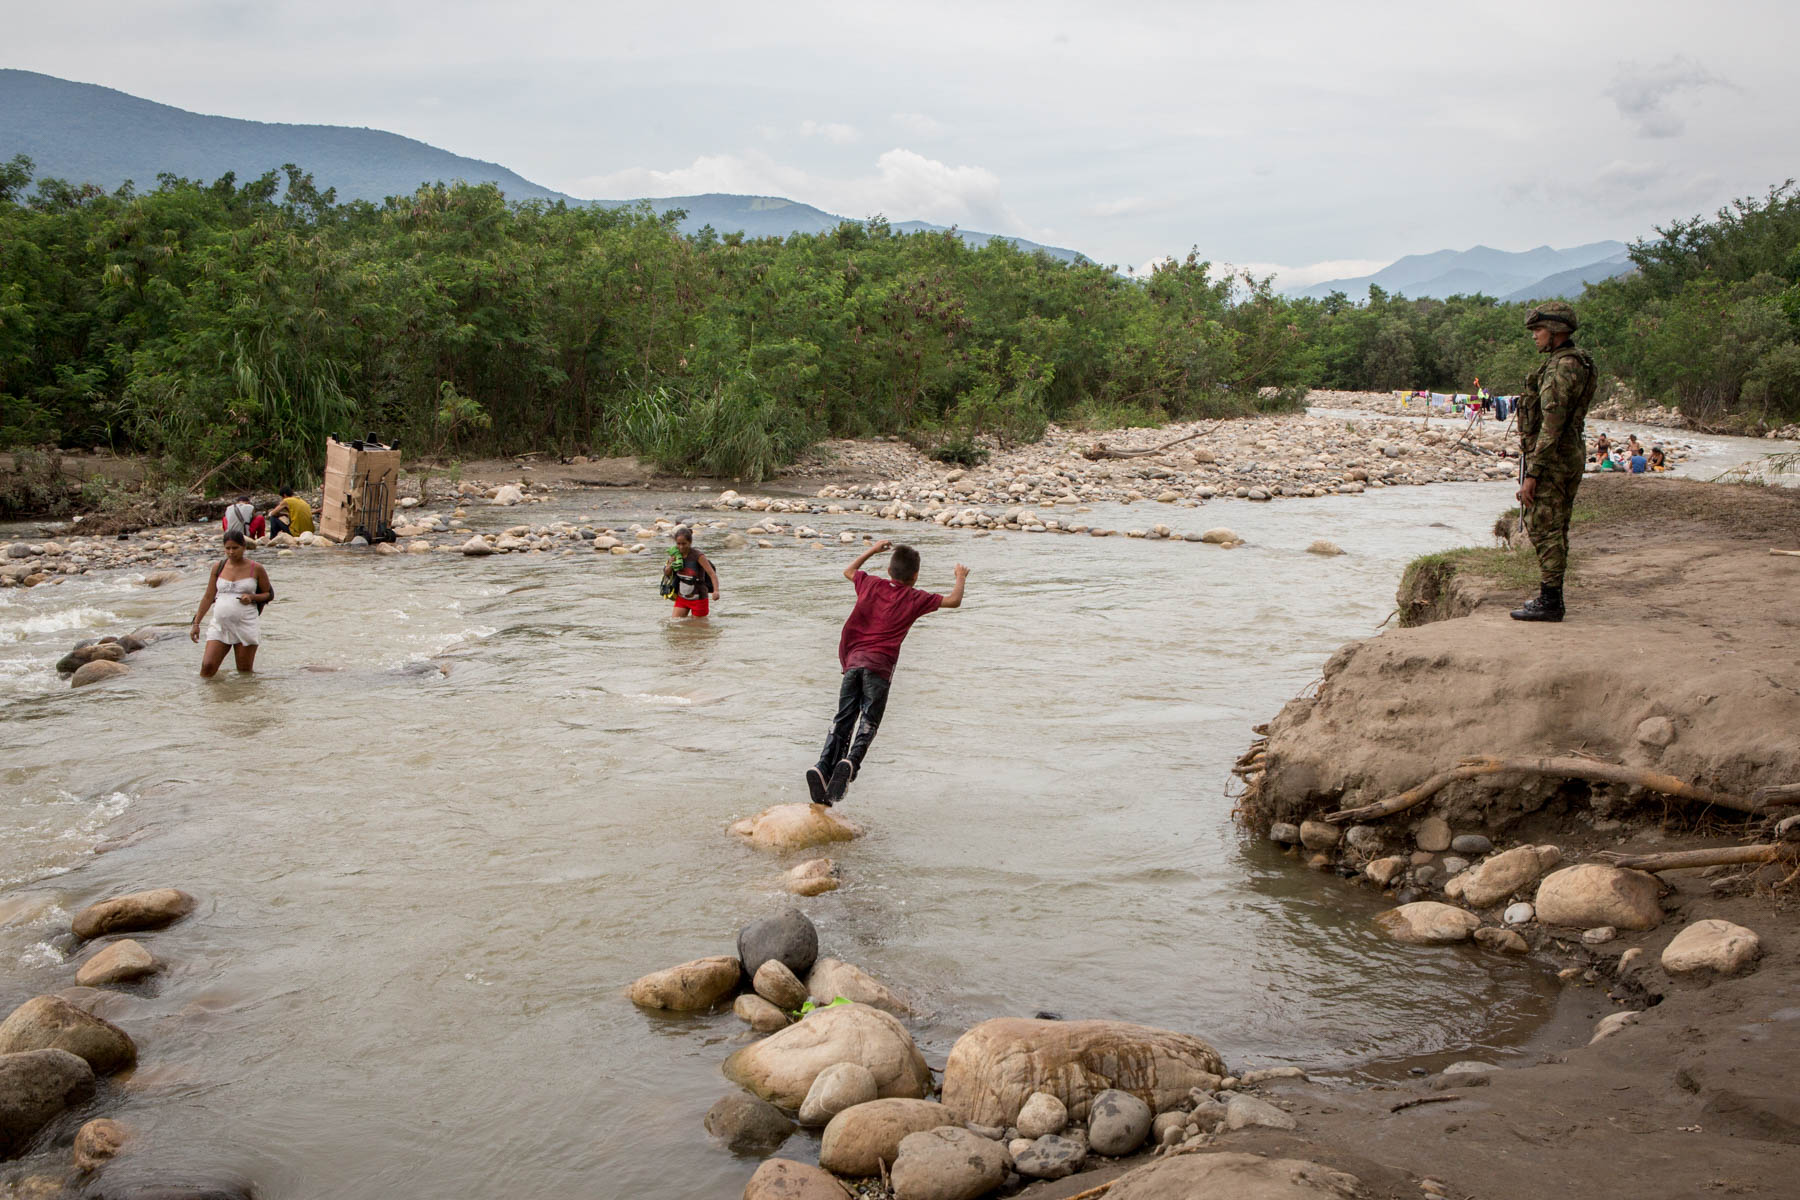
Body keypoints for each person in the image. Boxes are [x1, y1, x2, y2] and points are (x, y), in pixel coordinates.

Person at [806, 540, 967, 806]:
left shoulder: (871, 584)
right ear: (914, 576)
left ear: (889, 570)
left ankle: (823, 767)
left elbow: (848, 571)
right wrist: (960, 577)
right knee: (868, 722)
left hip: (853, 663)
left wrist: (873, 550)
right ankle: (850, 763)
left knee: (843, 719)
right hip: (879, 669)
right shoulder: (915, 597)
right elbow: (954, 601)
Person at [1512, 301, 1597, 623]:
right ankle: (1550, 597)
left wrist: (1534, 471)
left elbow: (1552, 423)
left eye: (1538, 330)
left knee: (1544, 526)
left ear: (1557, 331)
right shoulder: (1579, 361)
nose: (1535, 336)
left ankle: (1550, 602)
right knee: (1555, 526)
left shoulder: (1563, 367)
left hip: (1554, 456)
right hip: (1567, 451)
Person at [190, 530, 273, 676]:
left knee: (244, 672)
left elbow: (268, 594)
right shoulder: (219, 567)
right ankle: (208, 698)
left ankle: (244, 698)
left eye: (235, 548)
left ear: (244, 547)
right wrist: (196, 624)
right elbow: (208, 596)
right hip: (220, 625)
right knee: (207, 667)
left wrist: (251, 597)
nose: (231, 552)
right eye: (227, 548)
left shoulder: (256, 568)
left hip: (245, 624)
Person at [663, 526, 719, 619]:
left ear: (690, 542)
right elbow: (667, 573)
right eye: (678, 544)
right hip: (682, 597)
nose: (681, 547)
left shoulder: (698, 556)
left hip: (699, 598)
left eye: (684, 544)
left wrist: (716, 591)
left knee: (697, 630)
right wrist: (670, 564)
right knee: (674, 624)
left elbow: (712, 574)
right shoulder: (675, 554)